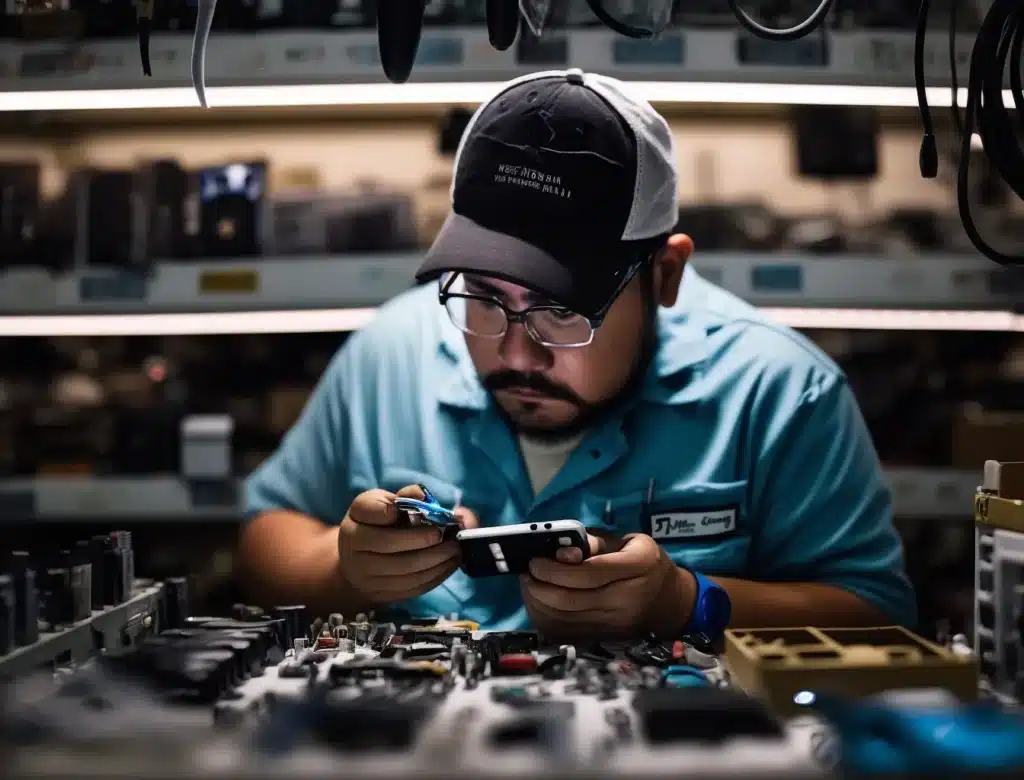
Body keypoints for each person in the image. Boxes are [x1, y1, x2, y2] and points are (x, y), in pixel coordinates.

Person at [241, 69, 916, 640]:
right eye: (483, 295)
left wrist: (687, 603)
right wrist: (343, 568)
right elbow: (266, 537)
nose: (516, 352)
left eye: (561, 310)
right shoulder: (390, 355)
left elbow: (878, 618)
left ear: (665, 274)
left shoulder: (779, 391)